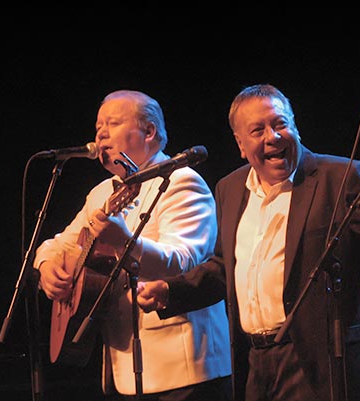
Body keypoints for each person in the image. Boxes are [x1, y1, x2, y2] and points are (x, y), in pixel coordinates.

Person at [134, 83, 360, 401]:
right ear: (241, 144)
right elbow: (226, 267)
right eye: (258, 130)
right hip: (255, 362)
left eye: (280, 124)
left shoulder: (339, 176)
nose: (273, 137)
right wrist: (172, 290)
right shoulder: (230, 189)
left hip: (320, 362)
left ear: (294, 126)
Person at [33, 89, 232, 400]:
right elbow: (58, 245)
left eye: (111, 124)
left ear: (149, 131)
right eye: (98, 126)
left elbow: (186, 260)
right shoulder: (102, 193)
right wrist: (46, 266)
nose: (100, 134)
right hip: (123, 369)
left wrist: (124, 242)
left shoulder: (182, 181)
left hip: (183, 369)